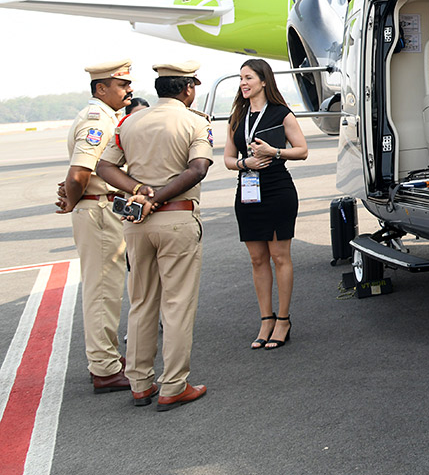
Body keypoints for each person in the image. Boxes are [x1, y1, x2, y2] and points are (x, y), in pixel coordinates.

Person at [96, 61, 213, 411]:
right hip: (175, 218)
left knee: (142, 302)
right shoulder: (194, 121)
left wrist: (140, 190)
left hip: (137, 224)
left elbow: (103, 166)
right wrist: (158, 197)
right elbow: (198, 168)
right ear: (188, 89)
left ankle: (139, 382)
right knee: (176, 305)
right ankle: (174, 385)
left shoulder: (129, 121)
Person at [56, 59, 134, 394]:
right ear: (101, 88)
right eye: (122, 85)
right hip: (99, 211)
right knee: (103, 291)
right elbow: (79, 173)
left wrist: (73, 192)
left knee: (103, 289)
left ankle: (105, 360)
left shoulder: (103, 116)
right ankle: (104, 368)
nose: (128, 90)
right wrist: (73, 198)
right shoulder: (98, 119)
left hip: (97, 208)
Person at [222, 58, 308, 350]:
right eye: (240, 78)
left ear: (263, 81)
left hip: (276, 190)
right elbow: (227, 159)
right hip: (247, 191)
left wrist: (275, 151)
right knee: (257, 259)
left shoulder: (281, 113)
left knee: (279, 256)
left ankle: (283, 319)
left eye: (248, 78)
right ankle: (266, 318)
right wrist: (244, 162)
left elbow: (302, 150)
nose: (243, 83)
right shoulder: (237, 116)